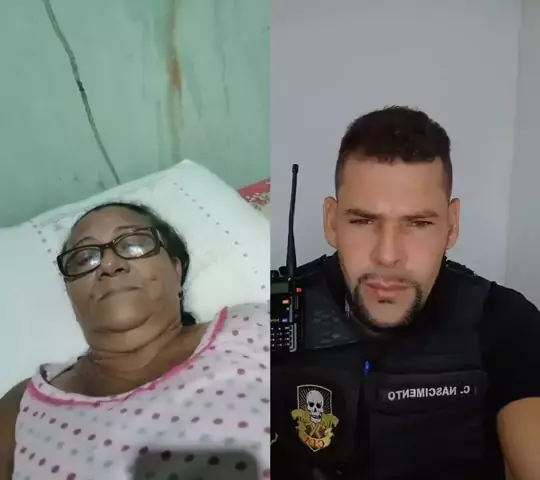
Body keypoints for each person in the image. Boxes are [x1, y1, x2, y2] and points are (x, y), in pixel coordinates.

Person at [271, 106, 540, 479]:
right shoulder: (273, 311)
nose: (388, 255)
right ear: (332, 223)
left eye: (418, 223)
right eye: (363, 220)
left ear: (451, 226)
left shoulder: (503, 319)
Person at [0, 202, 270, 480]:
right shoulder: (22, 407)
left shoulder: (254, 324)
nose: (109, 264)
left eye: (133, 245)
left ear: (176, 271)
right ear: (71, 296)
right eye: (84, 259)